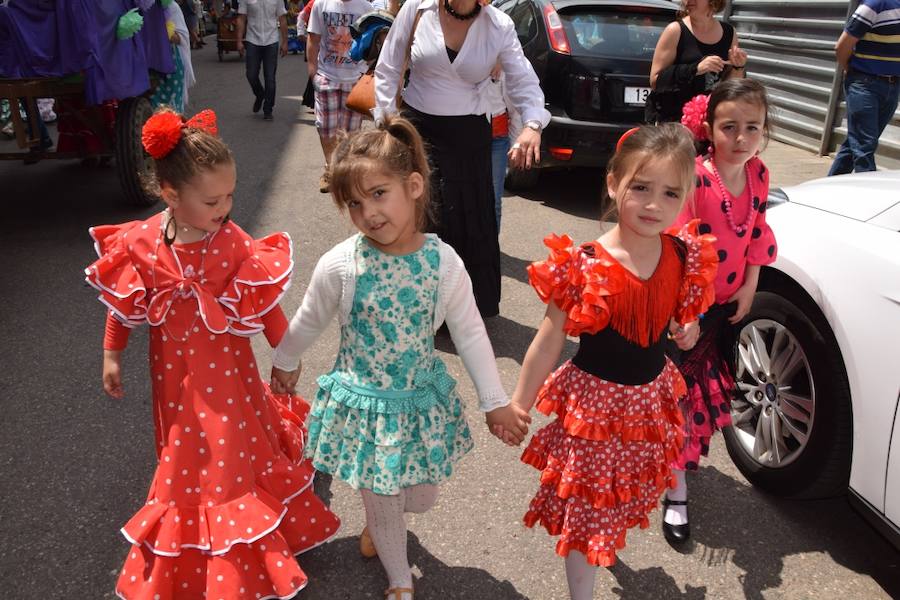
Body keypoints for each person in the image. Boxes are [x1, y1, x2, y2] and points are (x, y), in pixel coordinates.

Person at [270, 116, 531, 600]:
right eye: (354, 202)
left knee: (422, 497)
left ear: (413, 186)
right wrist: (287, 359)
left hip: (416, 401)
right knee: (385, 496)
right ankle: (398, 577)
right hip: (365, 407)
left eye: (378, 193)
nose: (367, 212)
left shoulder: (443, 263)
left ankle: (380, 523)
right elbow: (309, 318)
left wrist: (494, 400)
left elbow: (471, 332)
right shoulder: (342, 264)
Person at [85, 108, 340, 599]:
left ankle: (239, 552)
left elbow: (265, 304)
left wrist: (285, 357)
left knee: (228, 453)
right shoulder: (142, 242)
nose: (224, 207)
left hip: (228, 380)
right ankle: (192, 541)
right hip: (173, 383)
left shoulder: (231, 242)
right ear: (170, 195)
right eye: (211, 200)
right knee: (184, 455)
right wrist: (111, 353)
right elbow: (124, 302)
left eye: (230, 196)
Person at [508, 123, 717, 600]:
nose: (653, 204)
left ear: (684, 198)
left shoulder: (682, 255)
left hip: (648, 404)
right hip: (595, 412)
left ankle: (603, 546)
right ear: (612, 182)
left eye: (669, 193)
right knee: (588, 512)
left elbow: (685, 325)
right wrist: (519, 403)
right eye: (640, 188)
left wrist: (689, 331)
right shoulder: (583, 262)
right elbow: (546, 340)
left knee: (620, 498)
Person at [373, 0, 550, 318]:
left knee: (468, 221)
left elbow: (524, 80)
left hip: (470, 138)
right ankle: (413, 306)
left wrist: (533, 124)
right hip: (417, 134)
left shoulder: (499, 25)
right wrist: (386, 123)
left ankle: (461, 311)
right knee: (420, 219)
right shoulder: (417, 10)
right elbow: (386, 69)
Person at [664, 78, 776, 543]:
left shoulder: (759, 173)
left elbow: (757, 232)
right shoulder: (695, 174)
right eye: (730, 127)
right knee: (680, 400)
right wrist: (683, 312)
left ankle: (672, 467)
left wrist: (751, 285)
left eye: (753, 127)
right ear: (709, 127)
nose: (742, 138)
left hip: (729, 307)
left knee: (702, 398)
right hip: (690, 311)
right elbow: (676, 246)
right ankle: (676, 490)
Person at [828, 0, 900, 175]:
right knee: (864, 146)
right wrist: (852, 71)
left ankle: (829, 187)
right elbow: (842, 46)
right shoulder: (876, 4)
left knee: (856, 144)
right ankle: (870, 195)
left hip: (893, 86)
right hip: (865, 84)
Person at [307, 0, 371, 192]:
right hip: (327, 77)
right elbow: (313, 38)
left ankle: (346, 172)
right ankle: (331, 169)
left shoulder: (366, 8)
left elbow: (373, 41)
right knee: (325, 129)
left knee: (351, 133)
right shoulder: (321, 4)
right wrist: (313, 72)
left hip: (355, 79)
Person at [646, 0, 747, 124]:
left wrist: (738, 67)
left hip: (711, 123)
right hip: (676, 126)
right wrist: (696, 69)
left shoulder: (729, 33)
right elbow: (656, 81)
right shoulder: (675, 30)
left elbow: (731, 86)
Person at [236, 0, 289, 120]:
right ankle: (260, 94)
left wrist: (285, 42)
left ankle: (268, 109)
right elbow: (241, 18)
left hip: (271, 40)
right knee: (251, 74)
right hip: (252, 39)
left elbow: (282, 18)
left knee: (270, 77)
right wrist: (239, 41)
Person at [151, 0, 196, 113]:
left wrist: (164, 31)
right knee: (153, 112)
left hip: (171, 65)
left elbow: (181, 38)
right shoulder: (140, 7)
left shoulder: (171, 7)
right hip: (149, 67)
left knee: (173, 111)